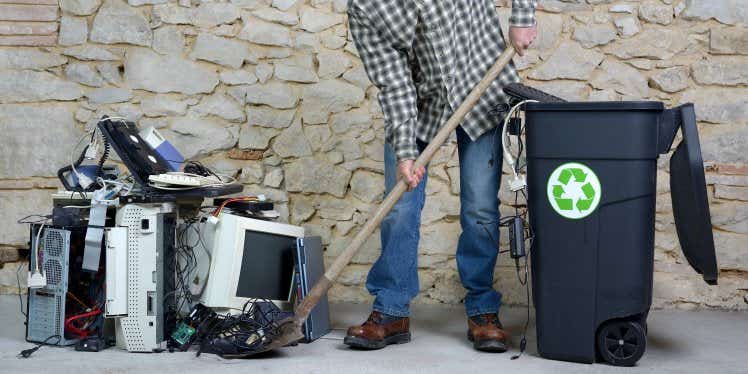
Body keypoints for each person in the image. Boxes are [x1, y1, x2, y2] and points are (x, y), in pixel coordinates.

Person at [344, 0, 538, 352]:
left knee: (480, 208)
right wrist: (405, 152)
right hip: (420, 106)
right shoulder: (365, 8)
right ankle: (391, 311)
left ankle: (483, 309)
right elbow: (394, 83)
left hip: (482, 82)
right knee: (400, 205)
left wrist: (522, 19)